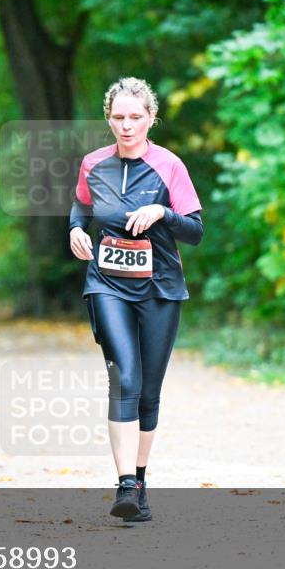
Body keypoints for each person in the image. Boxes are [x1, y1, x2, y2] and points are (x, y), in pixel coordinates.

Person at [68, 77, 204, 521]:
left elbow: (196, 231)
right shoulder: (93, 164)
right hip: (107, 283)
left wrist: (164, 213)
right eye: (118, 117)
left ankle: (140, 480)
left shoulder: (169, 166)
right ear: (108, 118)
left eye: (135, 117)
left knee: (148, 391)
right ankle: (125, 483)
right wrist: (75, 230)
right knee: (124, 376)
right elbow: (82, 207)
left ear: (151, 118)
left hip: (161, 286)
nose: (126, 126)